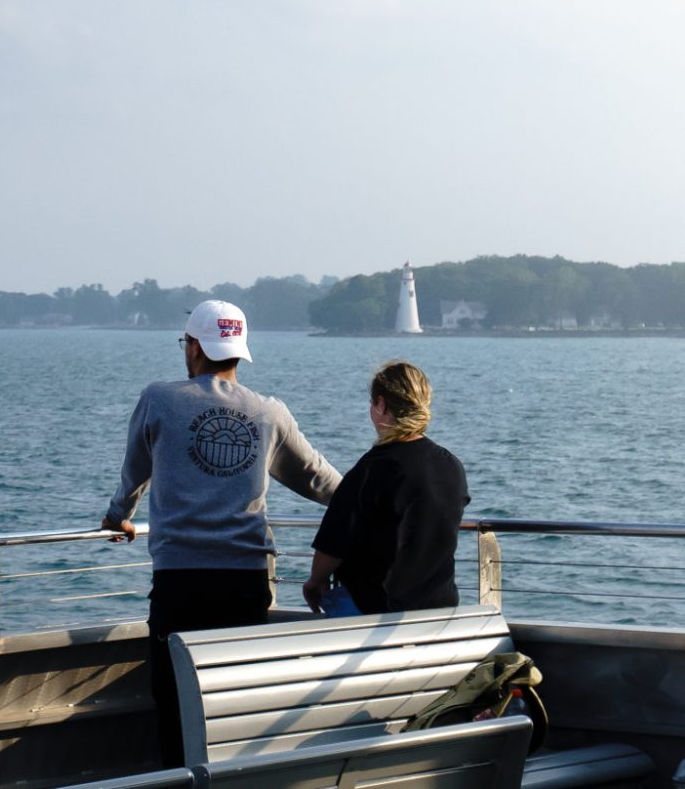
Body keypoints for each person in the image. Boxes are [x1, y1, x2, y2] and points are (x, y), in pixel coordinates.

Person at [101, 299, 340, 768]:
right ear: (238, 351)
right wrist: (380, 498)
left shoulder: (160, 400)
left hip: (180, 580)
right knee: (235, 702)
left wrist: (119, 515)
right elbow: (320, 481)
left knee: (174, 701)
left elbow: (134, 473)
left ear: (193, 347)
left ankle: (181, 778)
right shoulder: (268, 412)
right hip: (247, 582)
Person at [303, 361, 469, 616]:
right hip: (439, 611)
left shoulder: (372, 469)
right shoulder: (451, 465)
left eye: (373, 403)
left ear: (381, 405)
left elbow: (333, 544)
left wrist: (315, 582)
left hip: (376, 610)